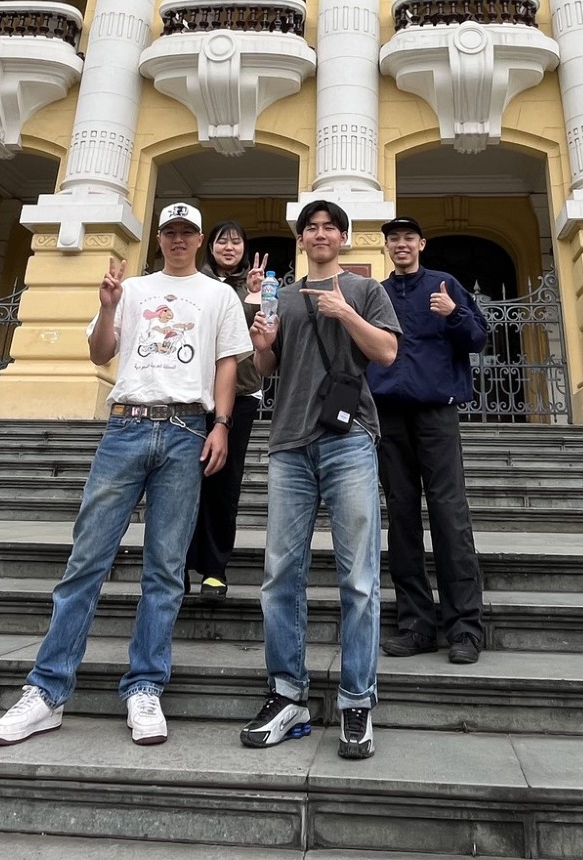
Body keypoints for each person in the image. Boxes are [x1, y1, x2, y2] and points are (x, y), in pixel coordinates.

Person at [0, 201, 246, 749]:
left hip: (186, 429)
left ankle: (145, 685)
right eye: (170, 231)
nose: (178, 239)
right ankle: (47, 690)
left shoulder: (218, 295)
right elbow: (100, 352)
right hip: (125, 427)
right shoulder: (132, 289)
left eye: (187, 232)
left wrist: (221, 424)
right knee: (86, 560)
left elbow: (227, 363)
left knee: (165, 569)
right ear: (159, 238)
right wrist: (107, 308)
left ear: (199, 239)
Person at [238, 198, 400, 761]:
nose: (321, 234)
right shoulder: (282, 295)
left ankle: (357, 701)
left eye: (331, 227)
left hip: (349, 440)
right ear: (301, 239)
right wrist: (262, 346)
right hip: (289, 443)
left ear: (344, 238)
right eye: (312, 227)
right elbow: (267, 369)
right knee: (280, 576)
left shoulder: (365, 290)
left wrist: (345, 313)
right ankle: (288, 695)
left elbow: (387, 352)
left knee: (359, 579)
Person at [373, 216, 490, 664]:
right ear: (387, 247)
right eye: (394, 239)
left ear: (421, 244)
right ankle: (416, 624)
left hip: (437, 413)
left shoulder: (445, 285)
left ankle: (465, 628)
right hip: (389, 415)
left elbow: (478, 339)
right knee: (401, 517)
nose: (401, 244)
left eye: (408, 238)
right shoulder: (378, 293)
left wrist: (454, 313)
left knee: (448, 515)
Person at [187, 220, 266, 599]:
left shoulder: (257, 287)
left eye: (236, 241)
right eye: (223, 241)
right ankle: (178, 565)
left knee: (224, 483)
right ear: (210, 246)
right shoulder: (194, 282)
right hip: (194, 394)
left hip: (240, 395)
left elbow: (256, 339)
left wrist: (254, 295)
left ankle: (214, 568)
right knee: (184, 482)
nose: (229, 247)